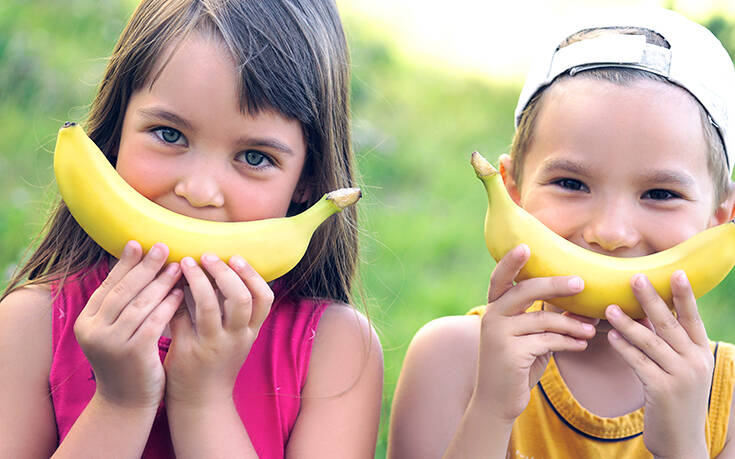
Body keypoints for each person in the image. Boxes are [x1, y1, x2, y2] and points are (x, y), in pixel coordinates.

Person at [0, 0, 383, 457]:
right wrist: (120, 403)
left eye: (255, 157)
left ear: (309, 180)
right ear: (114, 131)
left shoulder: (335, 351)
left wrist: (203, 400)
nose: (200, 191)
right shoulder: (31, 325)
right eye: (168, 134)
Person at [388, 7, 735, 459]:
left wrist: (684, 447)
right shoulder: (452, 360)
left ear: (721, 217)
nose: (611, 233)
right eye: (571, 184)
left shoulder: (724, 400)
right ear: (511, 192)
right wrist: (491, 411)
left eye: (660, 193)